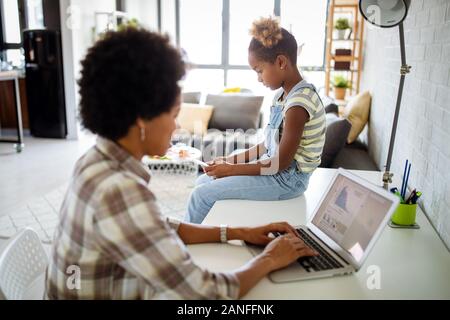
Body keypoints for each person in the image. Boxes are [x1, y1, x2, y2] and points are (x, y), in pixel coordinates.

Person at [45, 28, 316, 300]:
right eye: (174, 114)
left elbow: (156, 227)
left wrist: (240, 232)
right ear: (142, 118)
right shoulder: (119, 191)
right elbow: (207, 293)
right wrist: (269, 259)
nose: (176, 127)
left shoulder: (94, 162)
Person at [186, 17, 327, 224]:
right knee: (202, 180)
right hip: (276, 171)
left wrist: (231, 170)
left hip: (287, 180)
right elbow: (266, 146)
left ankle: (186, 247)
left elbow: (279, 163)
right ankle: (210, 231)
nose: (259, 78)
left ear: (280, 62)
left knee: (200, 196)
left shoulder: (298, 103)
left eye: (259, 71)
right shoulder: (282, 96)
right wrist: (228, 161)